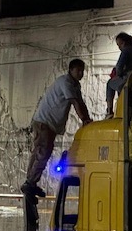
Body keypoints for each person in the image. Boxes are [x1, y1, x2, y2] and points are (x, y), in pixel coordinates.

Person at [21, 58, 92, 197]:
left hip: (49, 123)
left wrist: (87, 119)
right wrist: (84, 119)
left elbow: (81, 103)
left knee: (40, 152)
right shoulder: (65, 82)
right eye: (78, 70)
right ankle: (30, 183)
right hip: (44, 122)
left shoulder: (75, 85)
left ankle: (30, 182)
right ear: (71, 70)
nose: (81, 73)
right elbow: (75, 102)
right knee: (42, 153)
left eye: (82, 70)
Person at [105, 32, 132, 118]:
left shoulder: (126, 50)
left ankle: (110, 110)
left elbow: (119, 66)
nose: (119, 47)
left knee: (110, 83)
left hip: (128, 77)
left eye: (119, 44)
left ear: (123, 43)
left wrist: (117, 75)